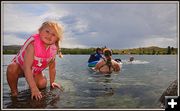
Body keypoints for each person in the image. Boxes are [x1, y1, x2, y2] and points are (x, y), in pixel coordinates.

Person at [6, 21, 64, 100]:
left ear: (57, 39)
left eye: (53, 35)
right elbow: (27, 68)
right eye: (47, 31)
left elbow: (52, 68)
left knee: (42, 83)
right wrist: (34, 88)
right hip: (22, 68)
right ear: (40, 31)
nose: (49, 35)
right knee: (12, 67)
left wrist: (52, 82)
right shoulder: (32, 45)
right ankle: (14, 92)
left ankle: (32, 89)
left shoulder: (53, 49)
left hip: (35, 71)